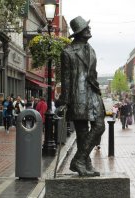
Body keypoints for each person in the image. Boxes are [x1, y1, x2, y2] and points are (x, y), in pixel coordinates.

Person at [58, 16, 105, 176]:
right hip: (77, 96)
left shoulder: (91, 49)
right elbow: (65, 79)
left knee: (100, 126)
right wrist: (64, 100)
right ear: (79, 32)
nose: (89, 29)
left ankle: (79, 160)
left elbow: (93, 73)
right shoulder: (67, 52)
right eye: (86, 28)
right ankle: (86, 163)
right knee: (82, 132)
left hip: (92, 93)